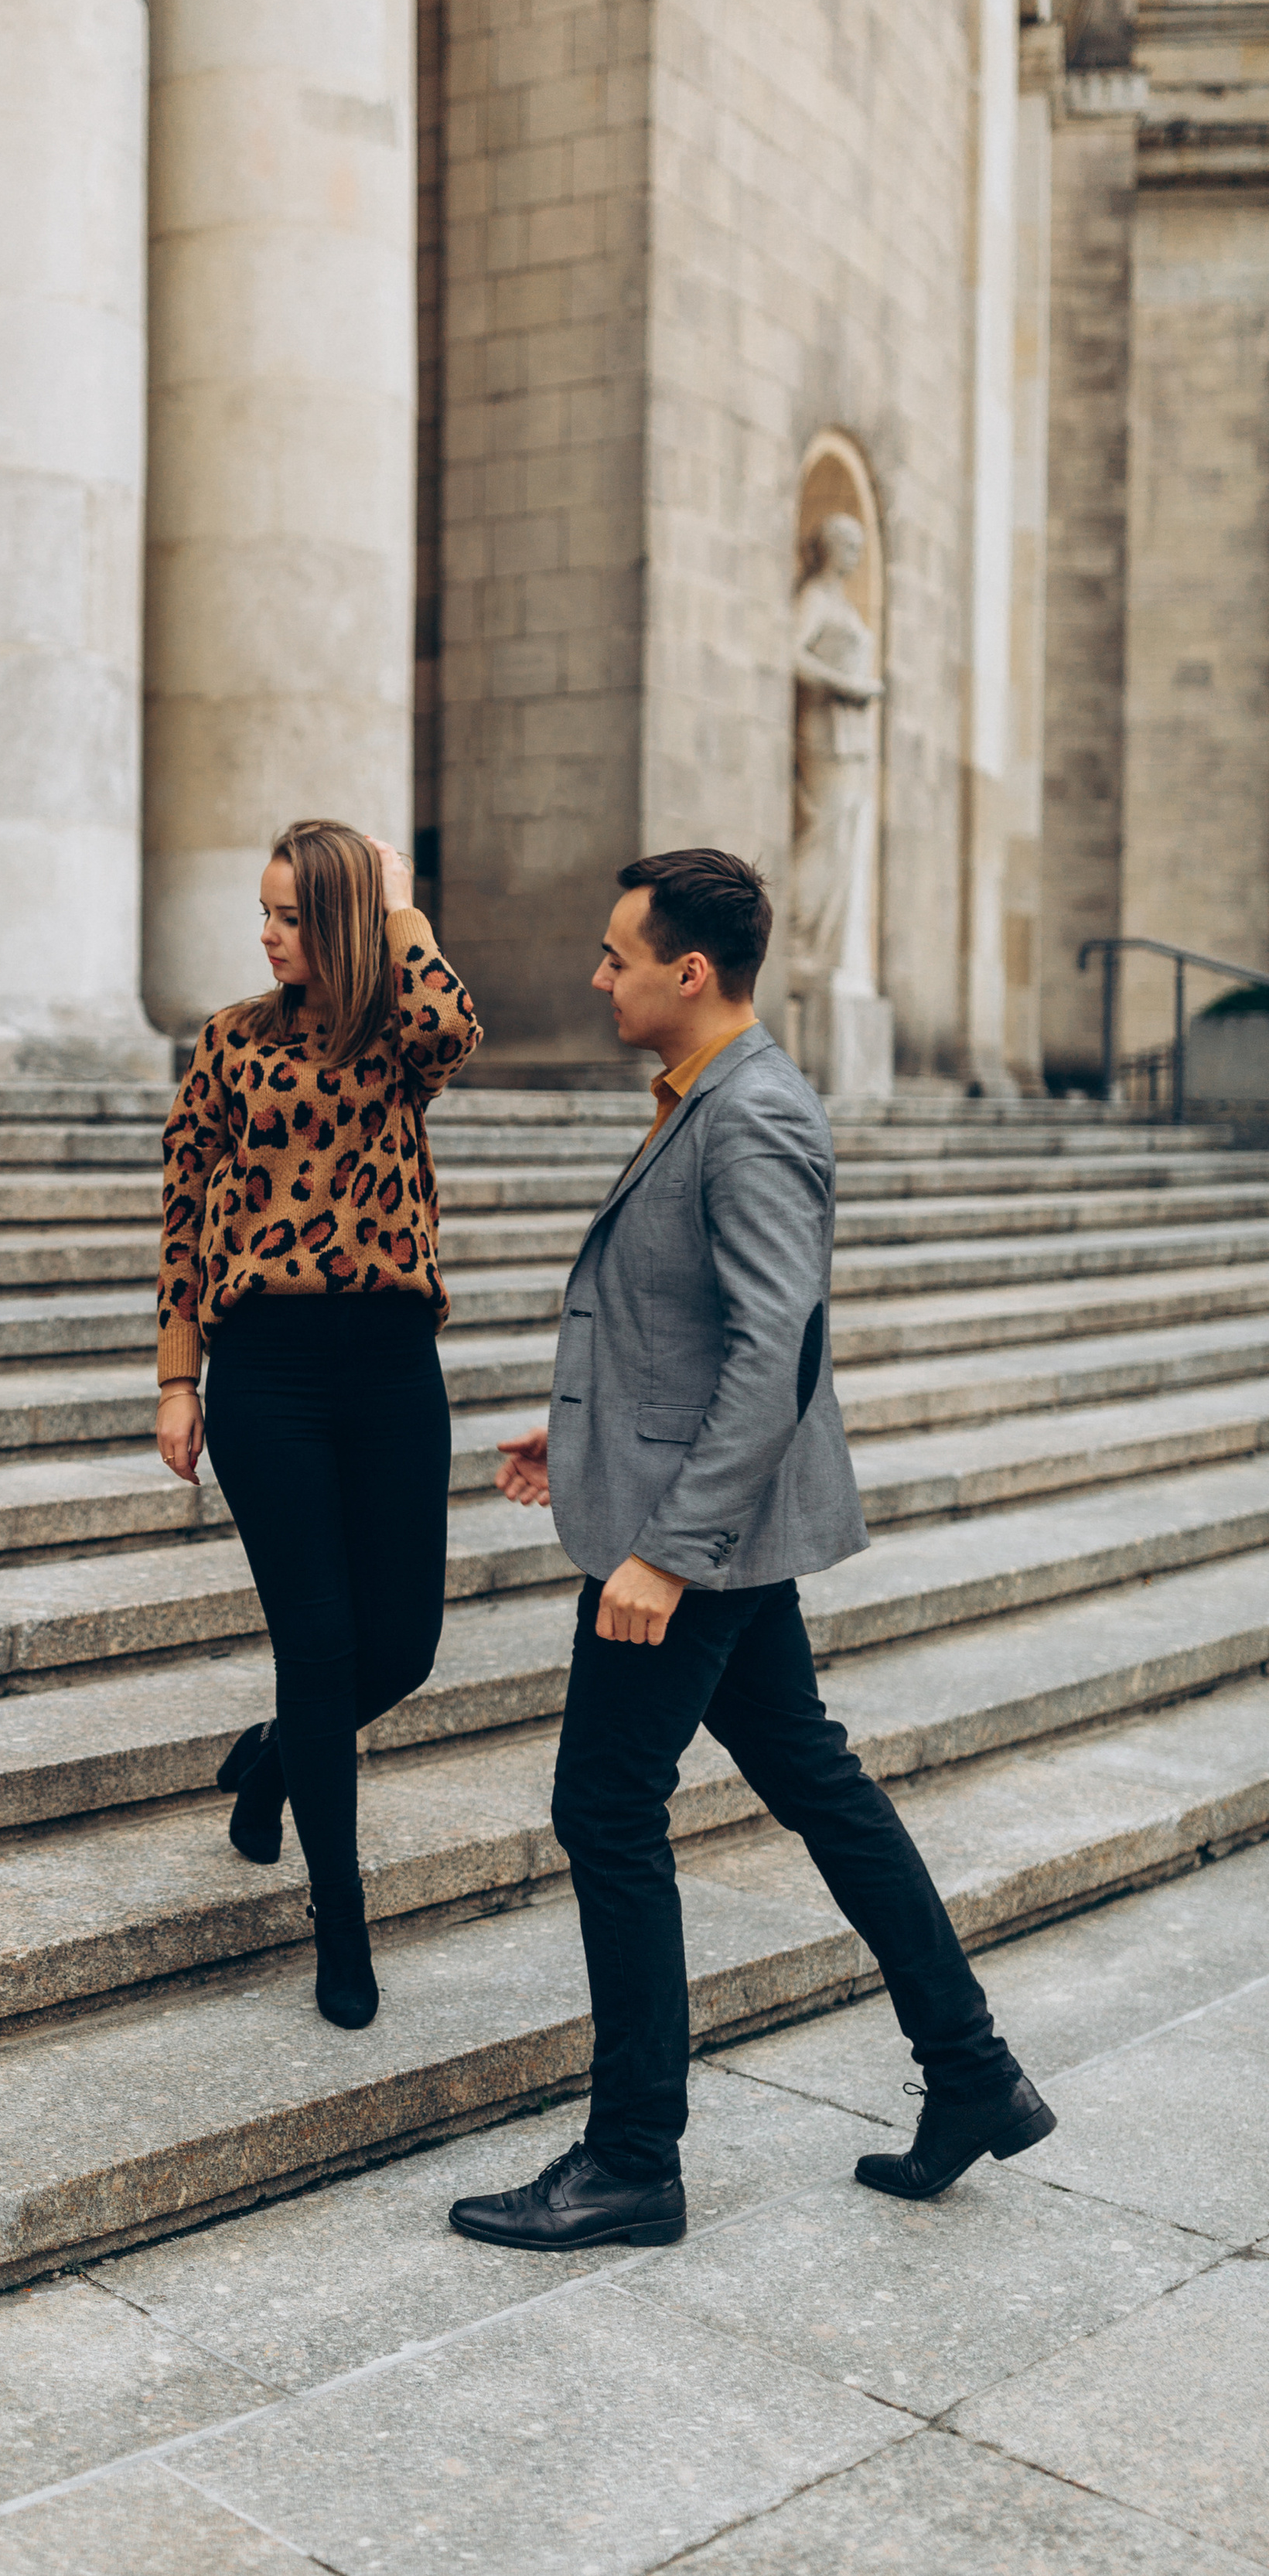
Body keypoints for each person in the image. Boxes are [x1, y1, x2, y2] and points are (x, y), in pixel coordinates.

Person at [447, 848, 1053, 2253]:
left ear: (689, 972)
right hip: (694, 1511)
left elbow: (775, 1350)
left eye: (615, 956)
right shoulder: (701, 1102)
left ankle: (632, 2161)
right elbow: (687, 1329)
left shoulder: (753, 1114)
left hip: (696, 1545)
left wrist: (665, 1548)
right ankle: (971, 2073)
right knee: (817, 1782)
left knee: (605, 1808)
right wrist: (582, 1444)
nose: (597, 977)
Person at [154, 819, 481, 2030]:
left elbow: (452, 1027)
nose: (268, 933)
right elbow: (185, 1205)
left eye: (292, 914)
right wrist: (176, 1376)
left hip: (392, 1362)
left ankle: (274, 1759)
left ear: (340, 920)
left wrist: (401, 907)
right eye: (266, 912)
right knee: (321, 1644)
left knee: (404, 1648)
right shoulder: (231, 1041)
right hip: (267, 1374)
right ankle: (339, 1926)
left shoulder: (398, 1031)